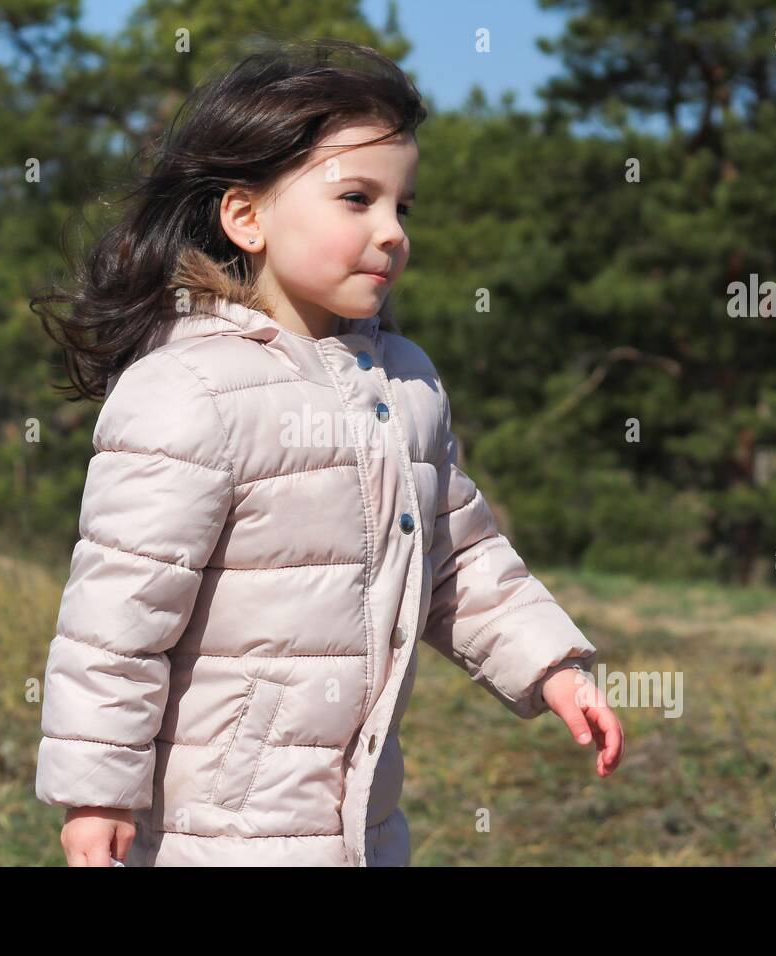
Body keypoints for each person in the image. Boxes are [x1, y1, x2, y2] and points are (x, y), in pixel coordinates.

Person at [30, 37, 623, 867]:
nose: (391, 233)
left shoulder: (407, 385)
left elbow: (458, 559)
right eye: (357, 199)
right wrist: (96, 791)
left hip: (363, 825)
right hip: (219, 832)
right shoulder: (189, 389)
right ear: (247, 216)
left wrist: (552, 667)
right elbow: (117, 621)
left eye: (403, 207)